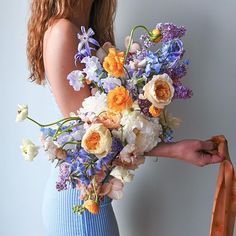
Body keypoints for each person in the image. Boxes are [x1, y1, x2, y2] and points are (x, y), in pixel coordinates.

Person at [26, 0, 224, 235]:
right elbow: (89, 138)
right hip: (78, 202)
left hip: (90, 195)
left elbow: (105, 131)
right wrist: (175, 150)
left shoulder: (83, 29)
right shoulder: (63, 31)